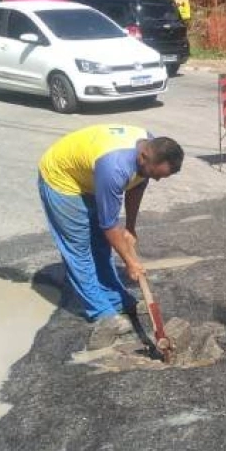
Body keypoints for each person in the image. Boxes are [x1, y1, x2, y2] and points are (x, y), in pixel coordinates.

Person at [38, 125, 184, 335]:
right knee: (80, 248)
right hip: (62, 179)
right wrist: (131, 263)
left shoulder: (150, 148)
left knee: (101, 244)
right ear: (144, 157)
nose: (157, 179)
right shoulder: (115, 167)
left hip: (91, 176)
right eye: (155, 174)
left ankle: (114, 298)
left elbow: (137, 184)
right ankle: (101, 312)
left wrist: (130, 228)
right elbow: (109, 224)